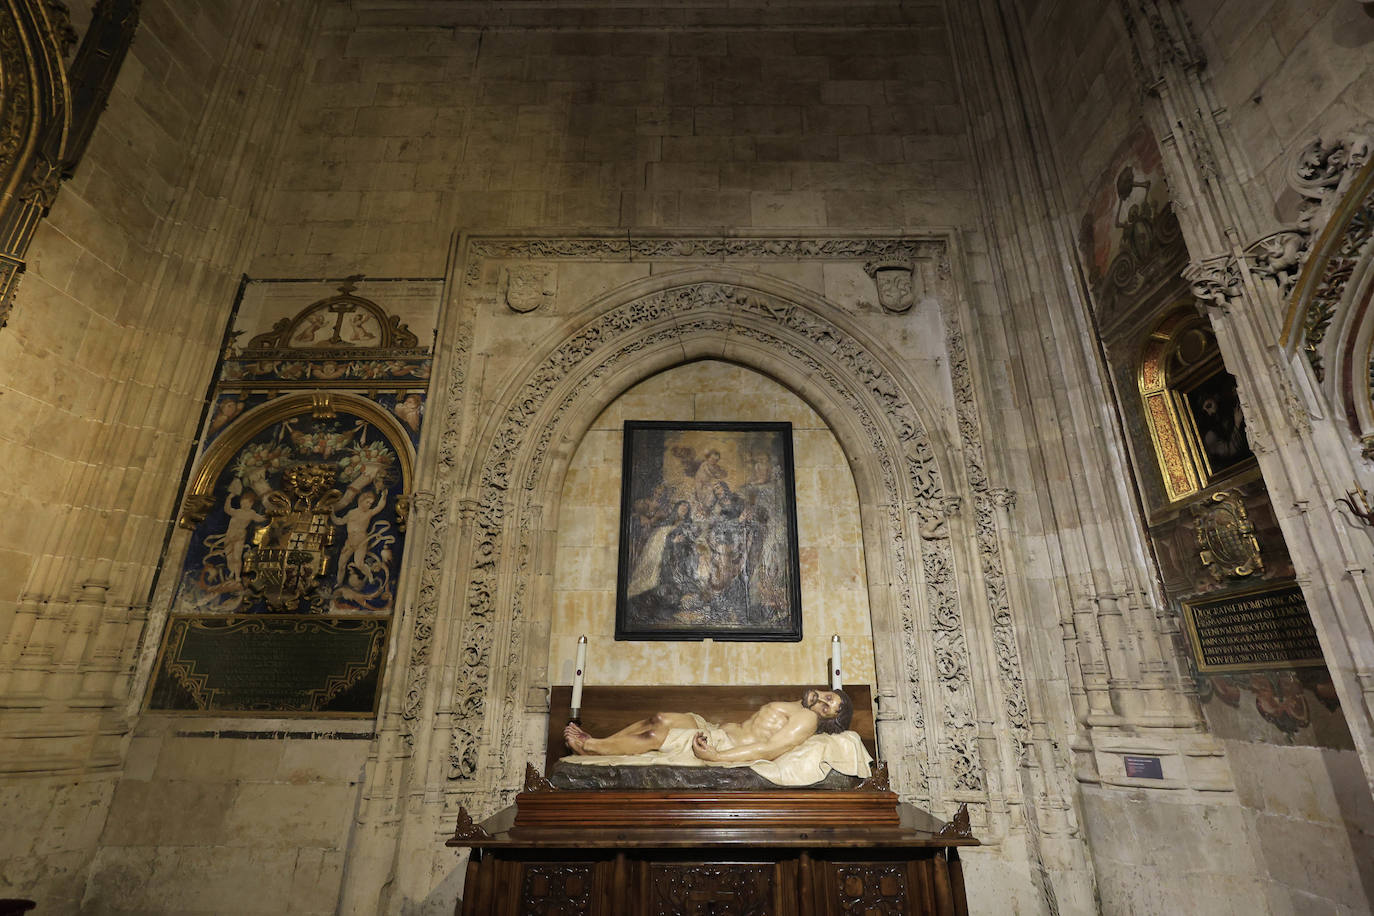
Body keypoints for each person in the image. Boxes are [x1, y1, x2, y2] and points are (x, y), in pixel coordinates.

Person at [562, 688, 852, 763]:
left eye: (828, 709)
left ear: (826, 718)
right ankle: (600, 742)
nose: (823, 702)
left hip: (721, 744)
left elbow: (768, 749)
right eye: (829, 697)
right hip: (715, 729)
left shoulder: (807, 719)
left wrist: (716, 756)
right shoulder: (800, 705)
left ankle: (591, 748)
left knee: (654, 735)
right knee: (659, 718)